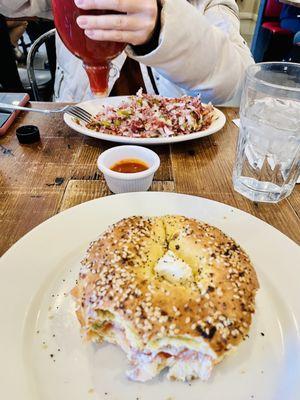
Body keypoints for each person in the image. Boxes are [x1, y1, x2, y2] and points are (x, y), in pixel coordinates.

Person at [1, 0, 254, 104]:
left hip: (172, 157)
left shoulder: (208, 5)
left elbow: (237, 81)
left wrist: (160, 26)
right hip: (79, 143)